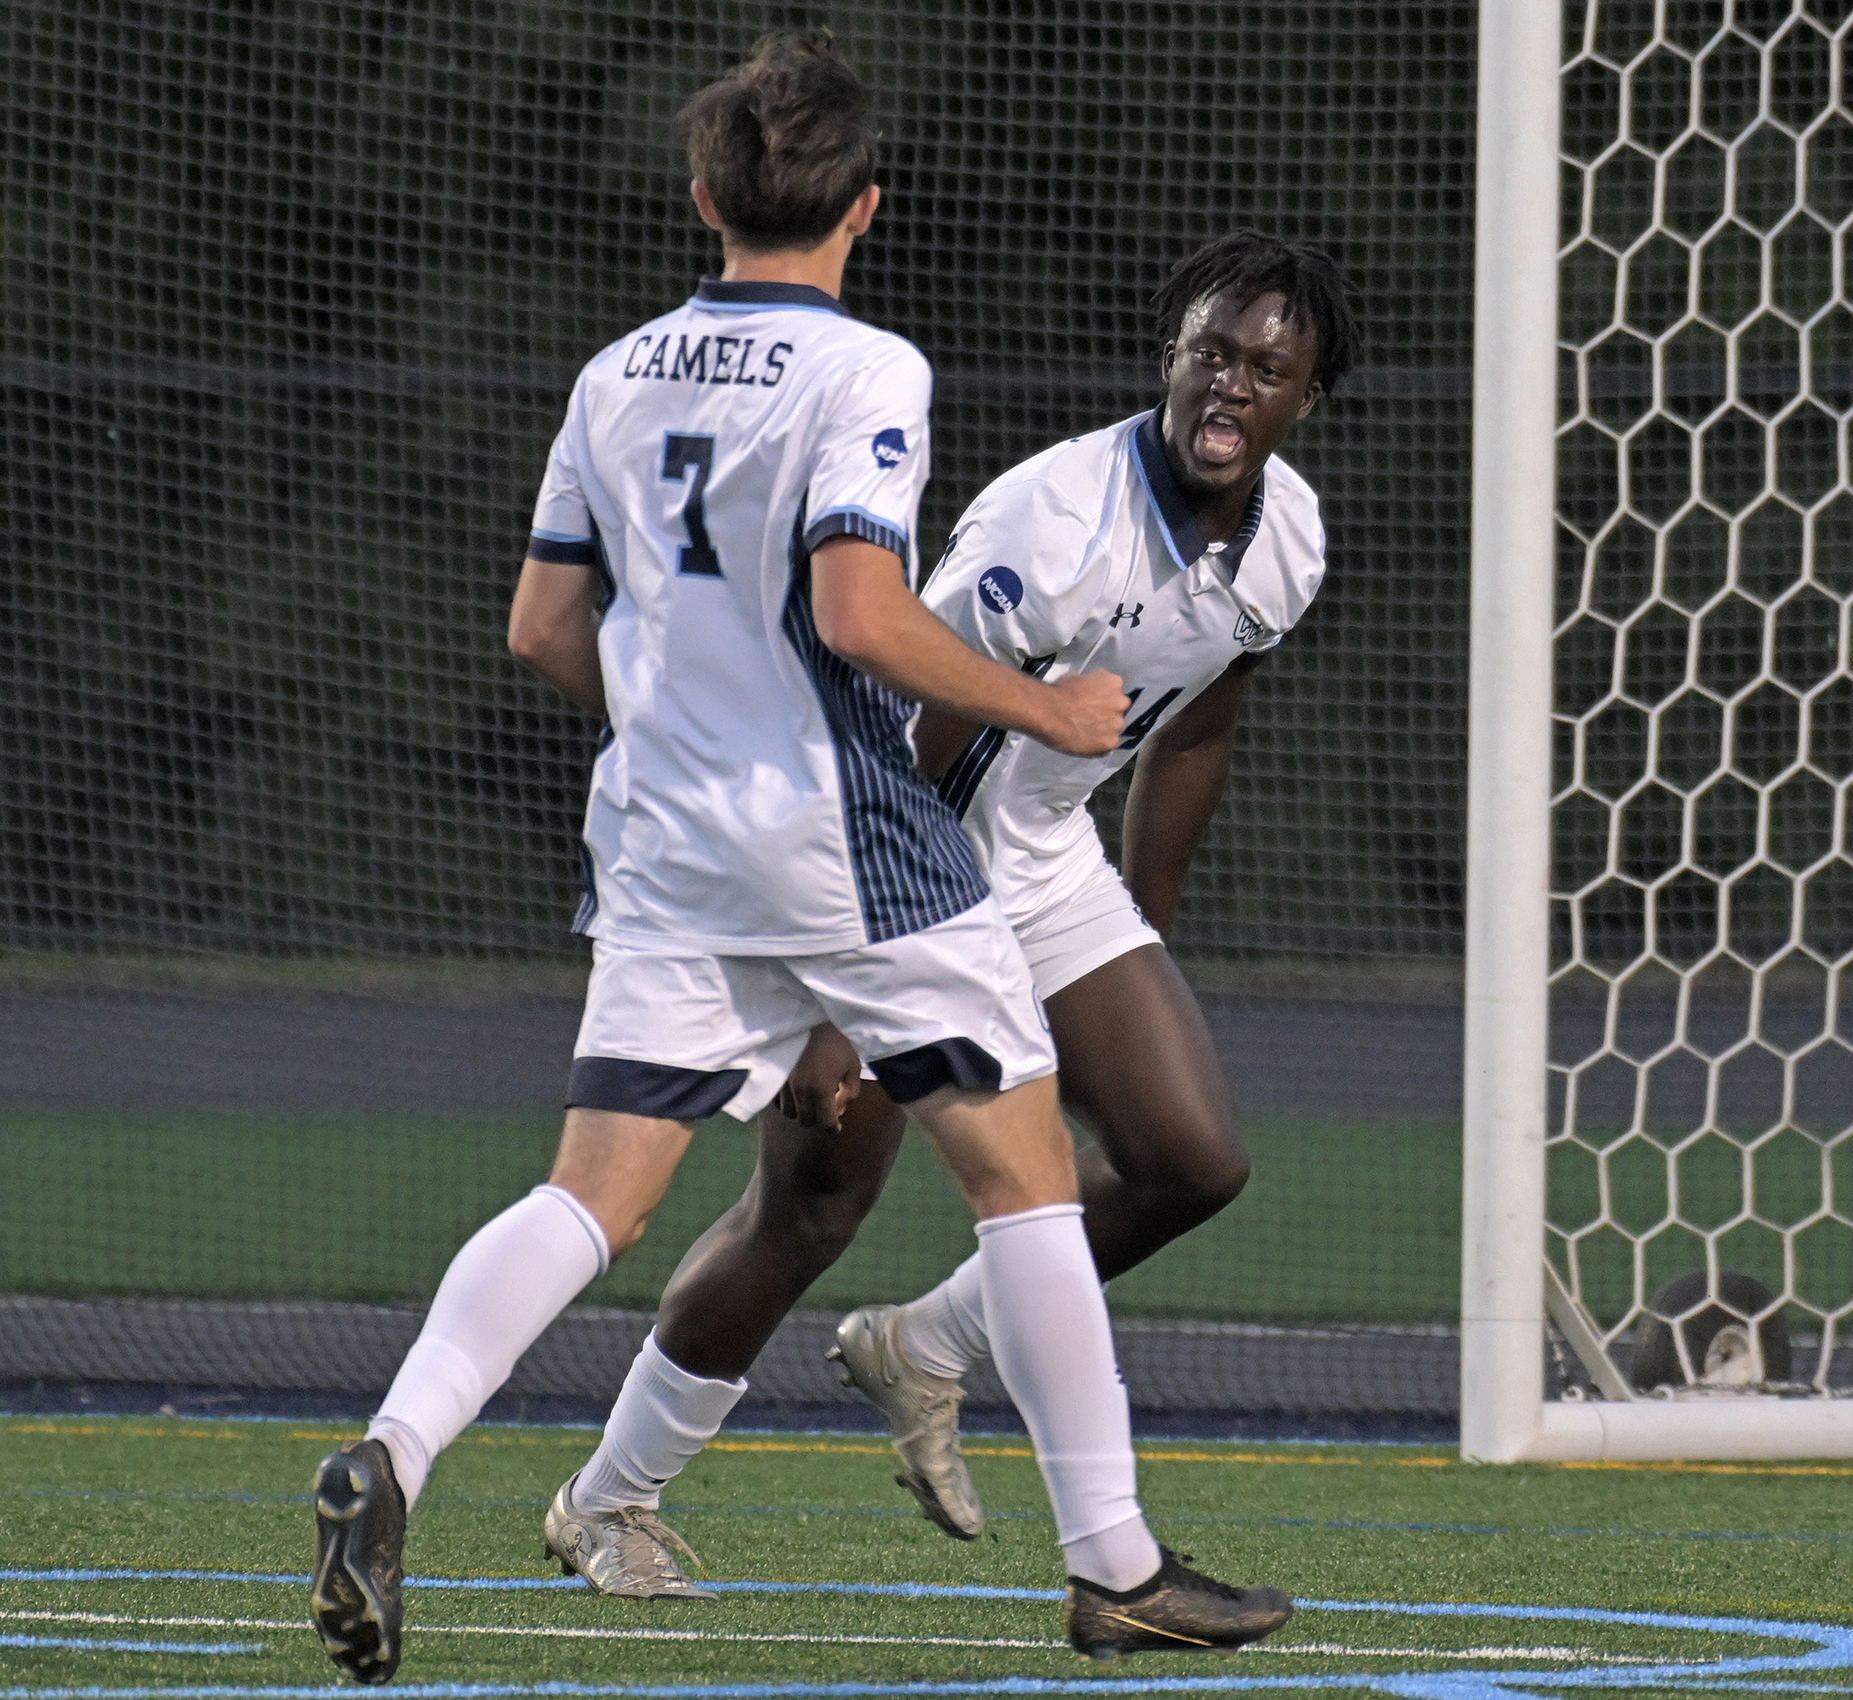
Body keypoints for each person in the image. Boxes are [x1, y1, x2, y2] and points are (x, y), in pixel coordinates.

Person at [307, 35, 1285, 1684]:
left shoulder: (616, 372)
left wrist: (684, 714)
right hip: (842, 840)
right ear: (866, 209)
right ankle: (1114, 1565)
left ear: (705, 200)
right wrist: (1043, 708)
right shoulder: (868, 372)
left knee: (591, 1197)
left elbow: (545, 629)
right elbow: (857, 611)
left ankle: (389, 1455)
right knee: (1028, 1174)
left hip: (665, 849)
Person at [549, 231, 1358, 1637]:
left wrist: (1138, 938)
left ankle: (928, 1343)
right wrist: (836, 999)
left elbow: (1200, 722)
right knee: (808, 1204)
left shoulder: (1288, 540)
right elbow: (895, 736)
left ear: (1305, 398)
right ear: (1170, 353)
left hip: (1043, 868)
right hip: (894, 867)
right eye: (1214, 353)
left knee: (1190, 1161)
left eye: (1268, 369)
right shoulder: (1054, 521)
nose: (1233, 386)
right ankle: (609, 1499)